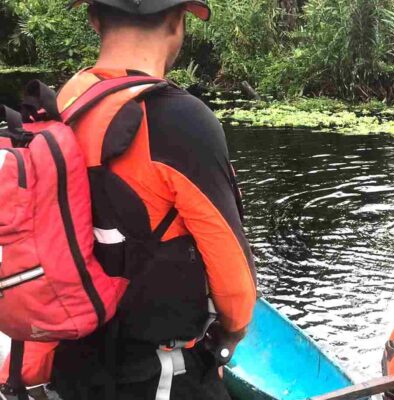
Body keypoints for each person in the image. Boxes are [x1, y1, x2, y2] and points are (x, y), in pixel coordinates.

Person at [49, 1, 258, 399]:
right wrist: (232, 330)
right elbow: (235, 284)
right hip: (157, 375)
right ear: (178, 22)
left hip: (73, 363)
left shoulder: (67, 101)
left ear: (94, 20)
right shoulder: (181, 120)